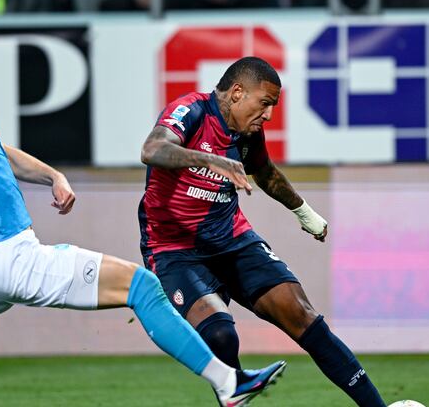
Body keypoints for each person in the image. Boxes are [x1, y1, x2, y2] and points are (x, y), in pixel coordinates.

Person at [0, 27, 285, 407]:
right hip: (6, 256)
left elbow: (2, 154)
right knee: (142, 286)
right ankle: (229, 384)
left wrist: (52, 175)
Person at [138, 57, 387, 407]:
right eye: (265, 103)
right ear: (237, 92)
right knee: (222, 335)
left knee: (303, 316)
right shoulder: (190, 110)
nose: (268, 115)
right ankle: (234, 396)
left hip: (233, 240)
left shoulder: (247, 133)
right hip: (175, 250)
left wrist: (304, 212)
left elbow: (265, 173)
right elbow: (152, 149)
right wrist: (211, 160)